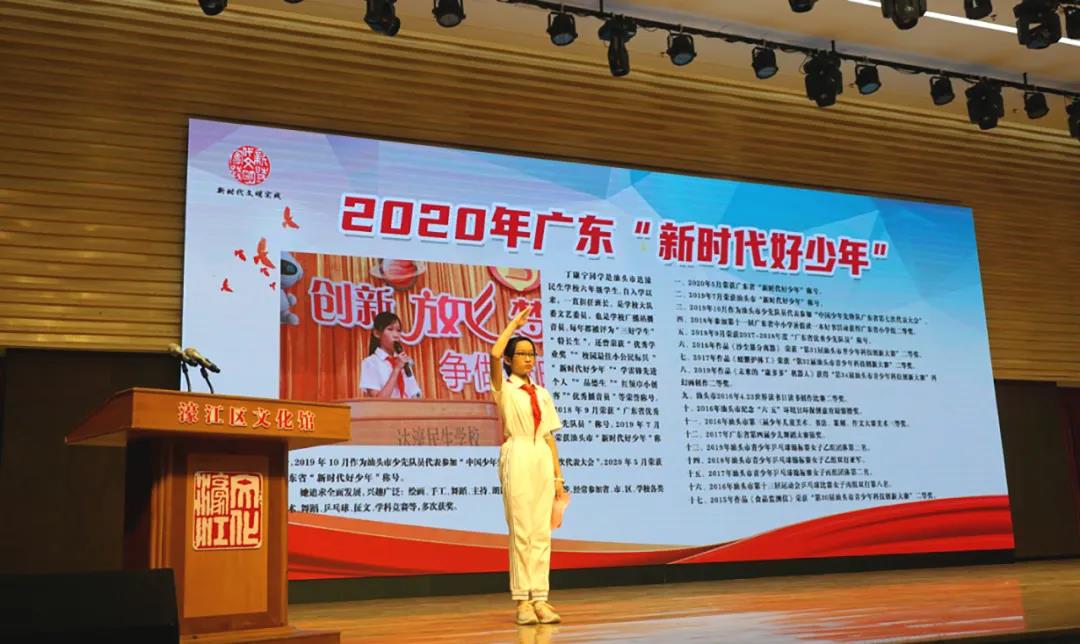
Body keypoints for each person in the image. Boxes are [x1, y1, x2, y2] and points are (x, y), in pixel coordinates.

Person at [491, 307, 567, 625]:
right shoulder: (505, 389)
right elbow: (494, 354)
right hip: (518, 452)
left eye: (531, 354)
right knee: (522, 530)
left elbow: (549, 436)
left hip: (540, 458)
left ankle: (541, 599)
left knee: (541, 532)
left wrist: (558, 477)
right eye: (521, 354)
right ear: (510, 360)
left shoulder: (542, 393)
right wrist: (514, 324)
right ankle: (522, 601)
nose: (528, 359)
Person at [360, 311, 422, 399]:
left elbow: (415, 395)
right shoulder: (370, 363)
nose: (396, 335)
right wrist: (396, 369)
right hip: (385, 408)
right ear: (377, 333)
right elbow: (377, 400)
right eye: (390, 329)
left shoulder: (403, 362)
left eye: (398, 330)